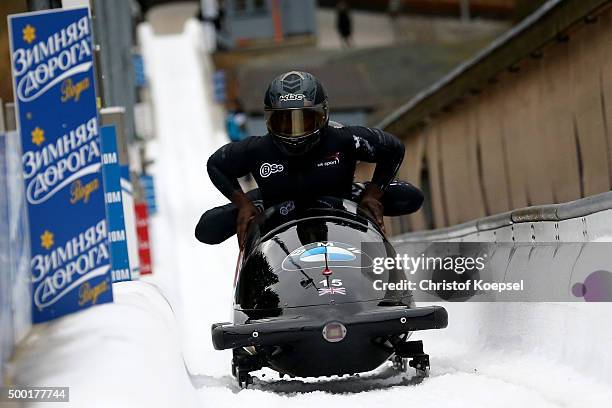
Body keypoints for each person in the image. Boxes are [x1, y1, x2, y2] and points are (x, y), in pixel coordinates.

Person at [196, 71, 423, 247]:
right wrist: (243, 203)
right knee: (207, 229)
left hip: (340, 200)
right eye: (285, 122)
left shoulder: (344, 139)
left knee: (411, 197)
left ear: (323, 116)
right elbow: (216, 164)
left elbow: (393, 148)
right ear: (269, 121)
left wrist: (373, 193)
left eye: (304, 121)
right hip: (274, 206)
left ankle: (359, 194)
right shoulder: (258, 149)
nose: (295, 133)